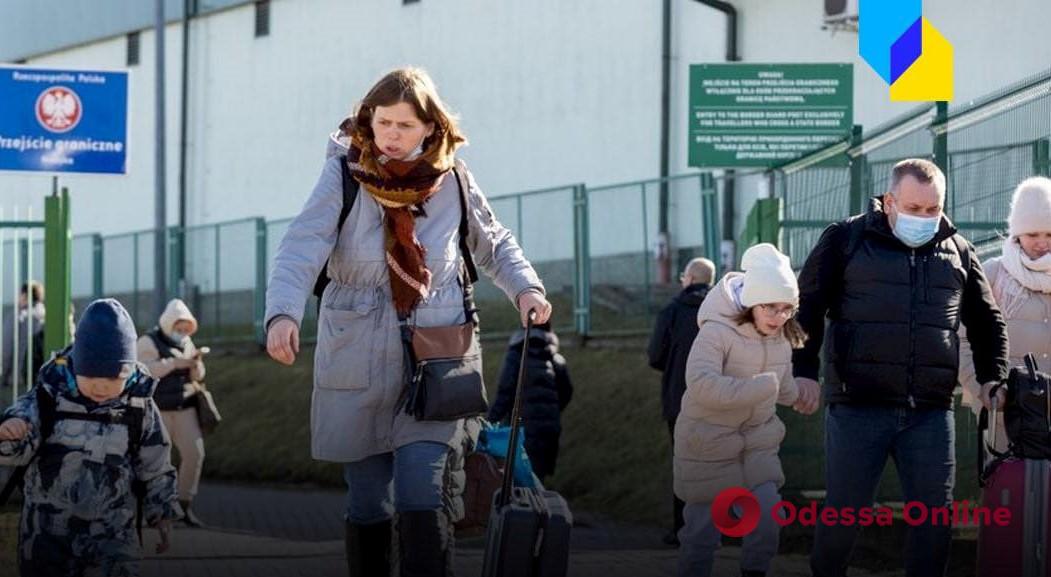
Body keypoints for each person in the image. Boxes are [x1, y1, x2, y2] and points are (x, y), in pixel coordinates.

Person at [264, 67, 551, 577]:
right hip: (356, 358)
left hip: (437, 361)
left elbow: (495, 243)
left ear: (430, 128)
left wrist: (526, 288)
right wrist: (282, 314)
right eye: (383, 123)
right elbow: (301, 247)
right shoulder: (343, 176)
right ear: (367, 121)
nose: (391, 136)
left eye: (405, 125)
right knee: (369, 500)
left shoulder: (454, 180)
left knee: (424, 491)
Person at [794, 158, 1008, 577]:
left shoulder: (959, 251)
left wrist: (991, 378)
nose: (924, 218)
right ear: (889, 201)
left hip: (929, 412)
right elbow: (808, 306)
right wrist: (803, 370)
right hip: (858, 406)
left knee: (934, 519)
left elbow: (987, 321)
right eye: (914, 209)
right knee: (844, 513)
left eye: (933, 210)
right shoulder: (846, 239)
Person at [0, 298, 180, 576]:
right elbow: (20, 444)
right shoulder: (49, 397)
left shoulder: (138, 405)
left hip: (112, 533)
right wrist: (10, 433)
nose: (100, 389)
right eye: (92, 379)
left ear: (129, 372)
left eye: (112, 382)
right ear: (76, 366)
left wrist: (162, 510)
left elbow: (155, 462)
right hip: (47, 536)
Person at [675, 243, 808, 577]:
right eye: (771, 308)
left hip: (757, 445)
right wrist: (757, 389)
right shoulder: (716, 332)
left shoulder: (779, 337)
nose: (780, 317)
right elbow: (701, 384)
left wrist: (802, 394)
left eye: (787, 309)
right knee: (702, 533)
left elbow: (783, 384)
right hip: (709, 443)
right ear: (752, 302)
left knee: (767, 517)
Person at [960, 176, 1051, 448]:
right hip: (1005, 413)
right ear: (1016, 233)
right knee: (1010, 486)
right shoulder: (993, 274)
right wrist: (987, 391)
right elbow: (963, 341)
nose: (1042, 243)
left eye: (1050, 234)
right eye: (1033, 234)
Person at [649, 257, 715, 546]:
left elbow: (655, 356)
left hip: (680, 399)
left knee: (685, 464)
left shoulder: (672, 310)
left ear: (689, 278)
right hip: (718, 400)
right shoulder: (722, 312)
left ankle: (682, 529)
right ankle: (716, 528)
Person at [137, 298, 208, 527]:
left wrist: (195, 364)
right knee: (156, 461)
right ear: (169, 324)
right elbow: (143, 370)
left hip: (185, 407)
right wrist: (173, 364)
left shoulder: (188, 343)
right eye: (179, 328)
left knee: (195, 454)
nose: (183, 333)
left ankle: (184, 505)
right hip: (158, 410)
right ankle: (155, 509)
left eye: (187, 329)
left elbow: (198, 377)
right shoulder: (148, 340)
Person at [487, 322, 573, 482]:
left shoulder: (516, 355)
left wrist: (489, 422)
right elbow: (566, 392)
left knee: (519, 479)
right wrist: (551, 411)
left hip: (522, 428)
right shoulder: (556, 359)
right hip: (549, 428)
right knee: (538, 479)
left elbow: (505, 392)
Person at [1, 281, 46, 391]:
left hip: (17, 380)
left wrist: (3, 377)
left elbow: (5, 349)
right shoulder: (48, 315)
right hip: (42, 379)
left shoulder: (18, 316)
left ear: (24, 295)